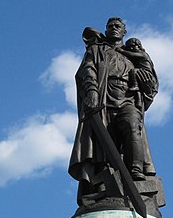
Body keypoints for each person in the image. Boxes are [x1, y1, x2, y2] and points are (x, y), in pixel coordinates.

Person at [68, 17, 159, 204]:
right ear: (106, 30)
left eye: (118, 26)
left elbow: (150, 83)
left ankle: (135, 171)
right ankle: (103, 185)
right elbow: (87, 71)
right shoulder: (96, 50)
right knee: (102, 146)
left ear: (124, 31)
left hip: (126, 98)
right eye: (110, 26)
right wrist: (92, 91)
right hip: (103, 99)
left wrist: (146, 81)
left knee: (133, 125)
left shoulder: (132, 54)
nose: (114, 29)